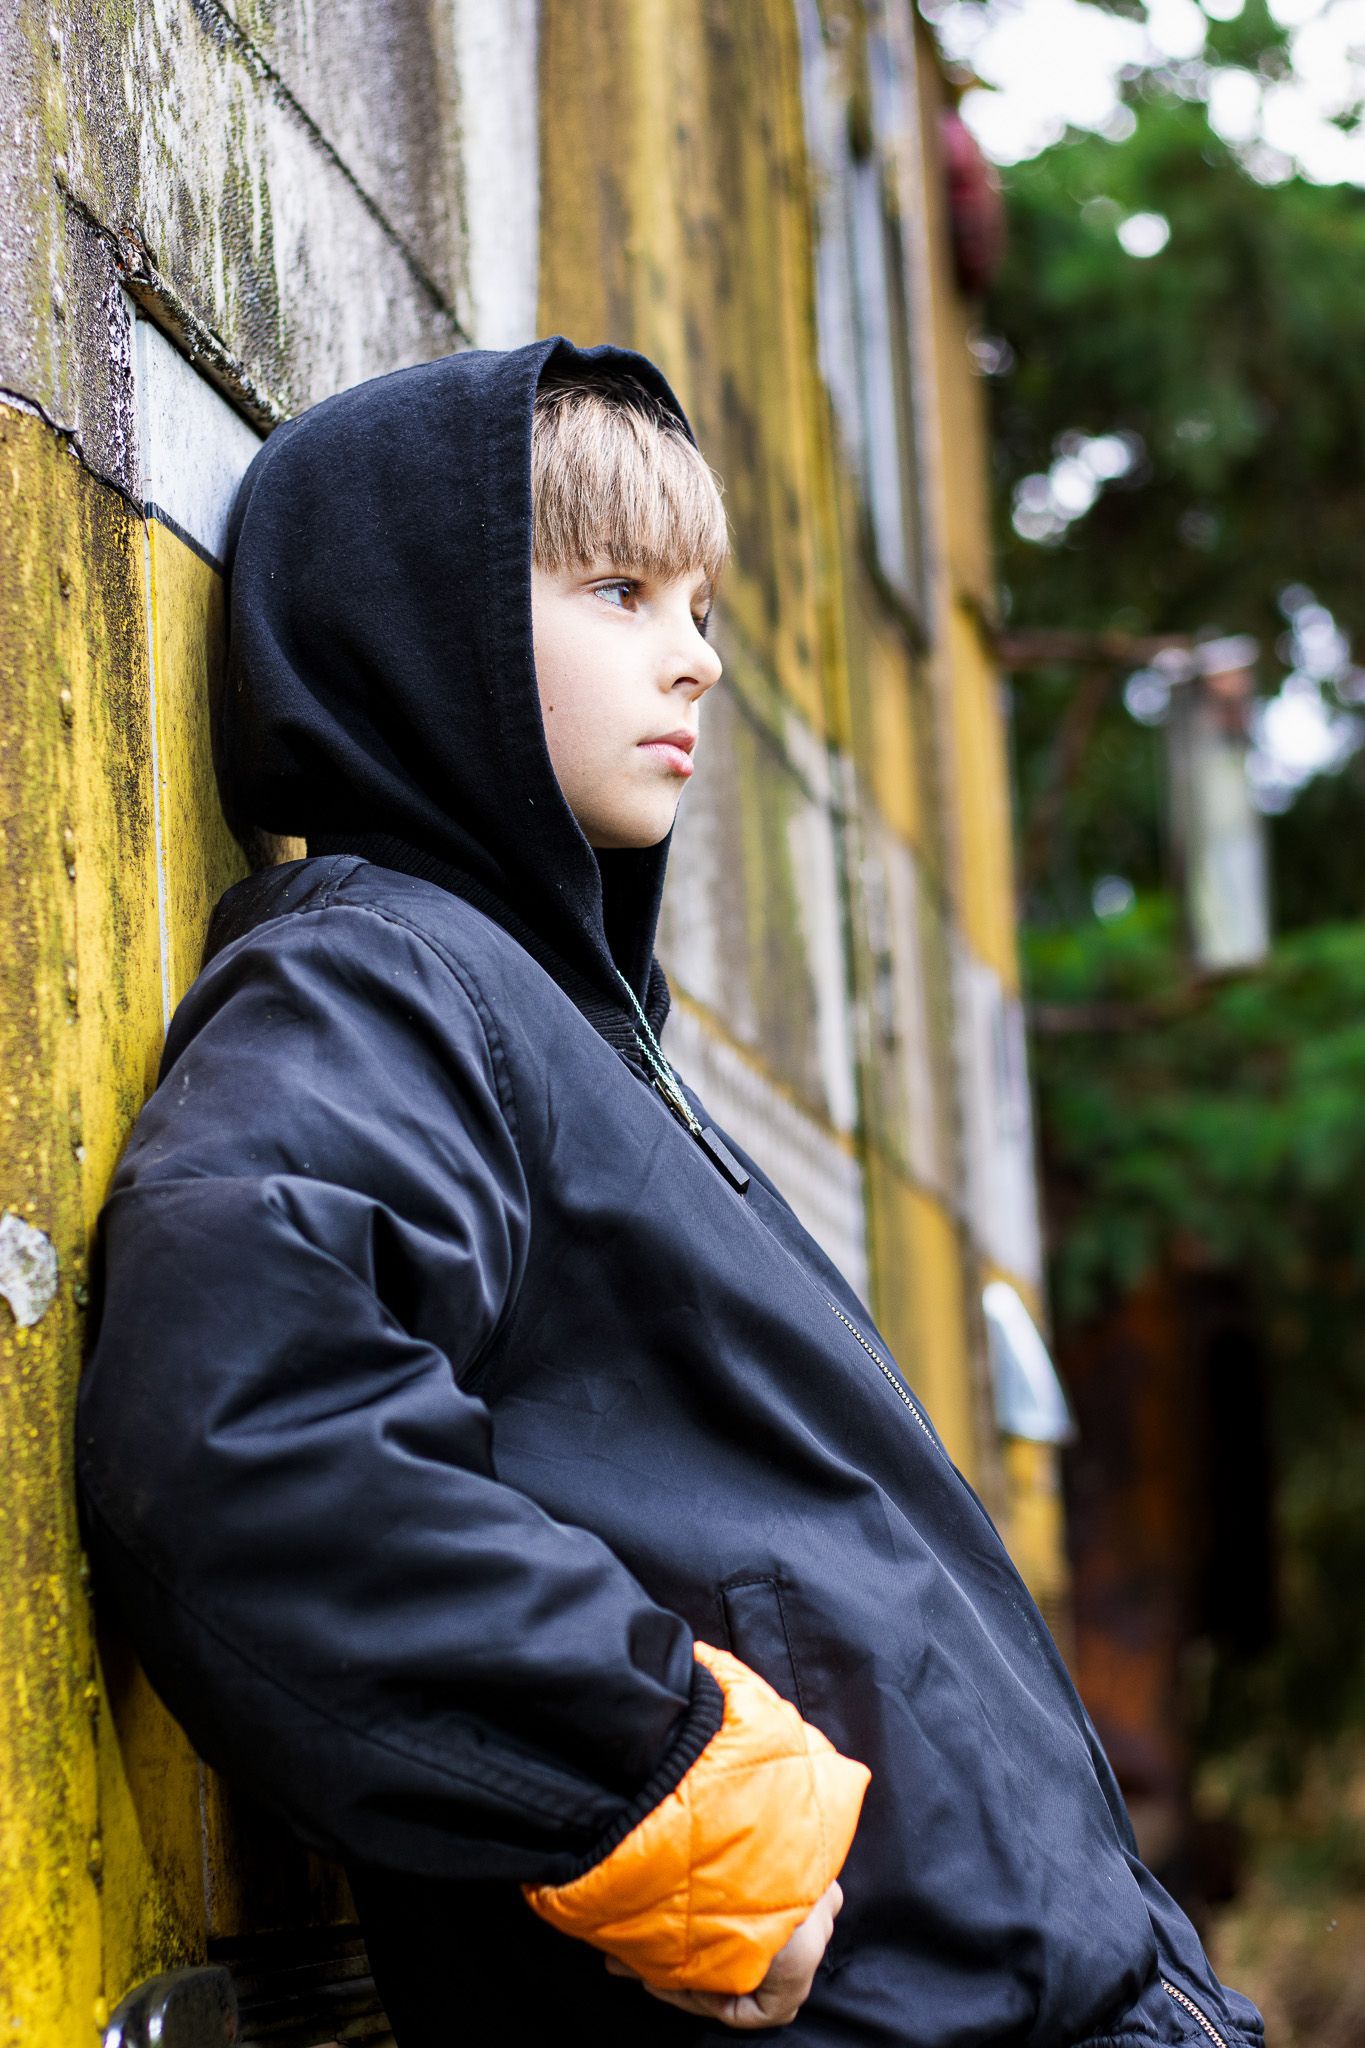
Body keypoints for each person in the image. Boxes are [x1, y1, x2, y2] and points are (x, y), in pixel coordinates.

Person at [75, 337, 1265, 2047]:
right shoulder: (383, 977)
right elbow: (240, 1423)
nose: (692, 660)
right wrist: (658, 1786)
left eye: (697, 605)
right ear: (429, 629)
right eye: (618, 589)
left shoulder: (558, 1025)